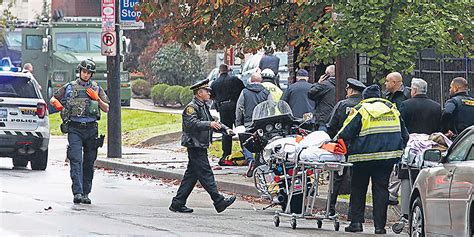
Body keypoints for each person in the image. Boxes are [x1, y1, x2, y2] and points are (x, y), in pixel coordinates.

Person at [337, 84, 409, 234]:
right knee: (381, 189)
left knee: (358, 188)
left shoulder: (360, 110)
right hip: (386, 158)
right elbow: (405, 136)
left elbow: (346, 132)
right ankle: (380, 227)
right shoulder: (392, 109)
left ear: (364, 97)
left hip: (362, 157)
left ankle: (356, 223)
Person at [170, 79, 236, 213]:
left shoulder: (203, 106)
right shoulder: (191, 108)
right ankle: (219, 201)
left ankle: (178, 202)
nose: (209, 94)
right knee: (206, 173)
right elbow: (192, 124)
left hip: (200, 144)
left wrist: (226, 129)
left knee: (191, 176)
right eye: (207, 91)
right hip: (195, 145)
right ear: (199, 93)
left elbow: (212, 122)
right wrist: (209, 125)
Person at [49, 59, 109, 204]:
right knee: (76, 160)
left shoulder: (96, 88)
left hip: (91, 129)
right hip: (75, 128)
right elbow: (53, 98)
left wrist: (97, 99)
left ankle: (86, 193)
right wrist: (57, 105)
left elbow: (107, 108)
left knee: (89, 162)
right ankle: (77, 192)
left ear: (92, 74)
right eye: (84, 71)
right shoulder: (69, 87)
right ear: (80, 71)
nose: (86, 74)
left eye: (89, 72)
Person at [397, 77, 441, 222]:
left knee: (406, 179)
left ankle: (405, 213)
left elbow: (400, 126)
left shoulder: (405, 105)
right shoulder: (436, 106)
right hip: (429, 150)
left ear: (414, 90)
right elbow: (438, 129)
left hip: (411, 149)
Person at [327, 78, 366, 217]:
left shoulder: (342, 105)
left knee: (336, 178)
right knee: (357, 179)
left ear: (350, 90)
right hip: (359, 147)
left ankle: (330, 208)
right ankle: (353, 214)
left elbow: (331, 126)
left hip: (341, 147)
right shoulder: (364, 106)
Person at [235, 72, 272, 177]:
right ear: (261, 81)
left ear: (250, 81)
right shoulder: (266, 92)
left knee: (246, 141)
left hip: (249, 121)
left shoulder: (245, 92)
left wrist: (238, 122)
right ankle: (259, 163)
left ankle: (250, 159)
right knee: (261, 142)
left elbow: (239, 107)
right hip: (262, 122)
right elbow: (271, 106)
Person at [384, 72, 410, 206]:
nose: (385, 83)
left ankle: (392, 194)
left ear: (394, 82)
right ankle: (391, 193)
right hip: (390, 136)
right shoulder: (387, 96)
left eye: (387, 81)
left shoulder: (405, 96)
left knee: (398, 167)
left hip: (401, 136)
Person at [210, 64, 245, 160]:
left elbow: (212, 96)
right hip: (234, 106)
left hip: (223, 108)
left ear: (219, 71)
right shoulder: (234, 80)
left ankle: (226, 153)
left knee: (226, 130)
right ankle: (245, 151)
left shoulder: (215, 83)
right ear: (228, 70)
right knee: (240, 129)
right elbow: (243, 91)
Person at [308, 64, 336, 132]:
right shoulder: (341, 83)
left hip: (324, 119)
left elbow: (310, 93)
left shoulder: (325, 85)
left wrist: (318, 83)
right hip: (335, 119)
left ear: (326, 75)